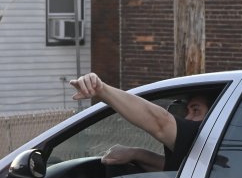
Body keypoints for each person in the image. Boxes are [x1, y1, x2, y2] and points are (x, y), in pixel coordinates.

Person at [68, 72, 210, 171]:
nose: (187, 118)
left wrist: (101, 90)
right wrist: (136, 154)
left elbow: (160, 121)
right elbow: (174, 168)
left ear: (214, 116)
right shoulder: (212, 154)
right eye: (187, 112)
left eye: (196, 110)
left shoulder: (209, 136)